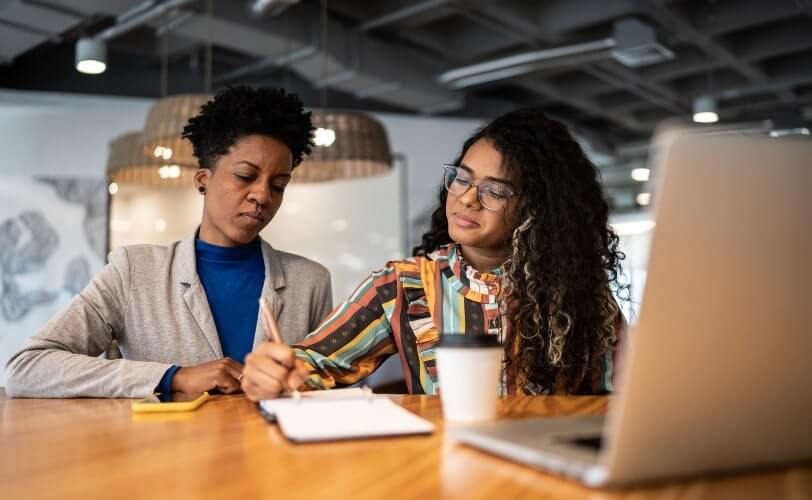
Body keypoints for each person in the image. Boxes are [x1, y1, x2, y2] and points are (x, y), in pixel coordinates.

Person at [241, 106, 627, 400]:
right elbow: (317, 363)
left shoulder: (583, 296)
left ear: (538, 209)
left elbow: (620, 402)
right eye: (462, 178)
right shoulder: (402, 285)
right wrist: (278, 371)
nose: (467, 199)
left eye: (495, 190)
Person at [5, 86, 333, 398]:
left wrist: (303, 385)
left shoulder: (311, 281)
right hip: (164, 454)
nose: (262, 195)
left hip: (275, 454)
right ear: (203, 180)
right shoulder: (134, 271)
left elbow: (329, 385)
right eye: (245, 177)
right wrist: (172, 377)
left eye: (278, 185)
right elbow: (27, 368)